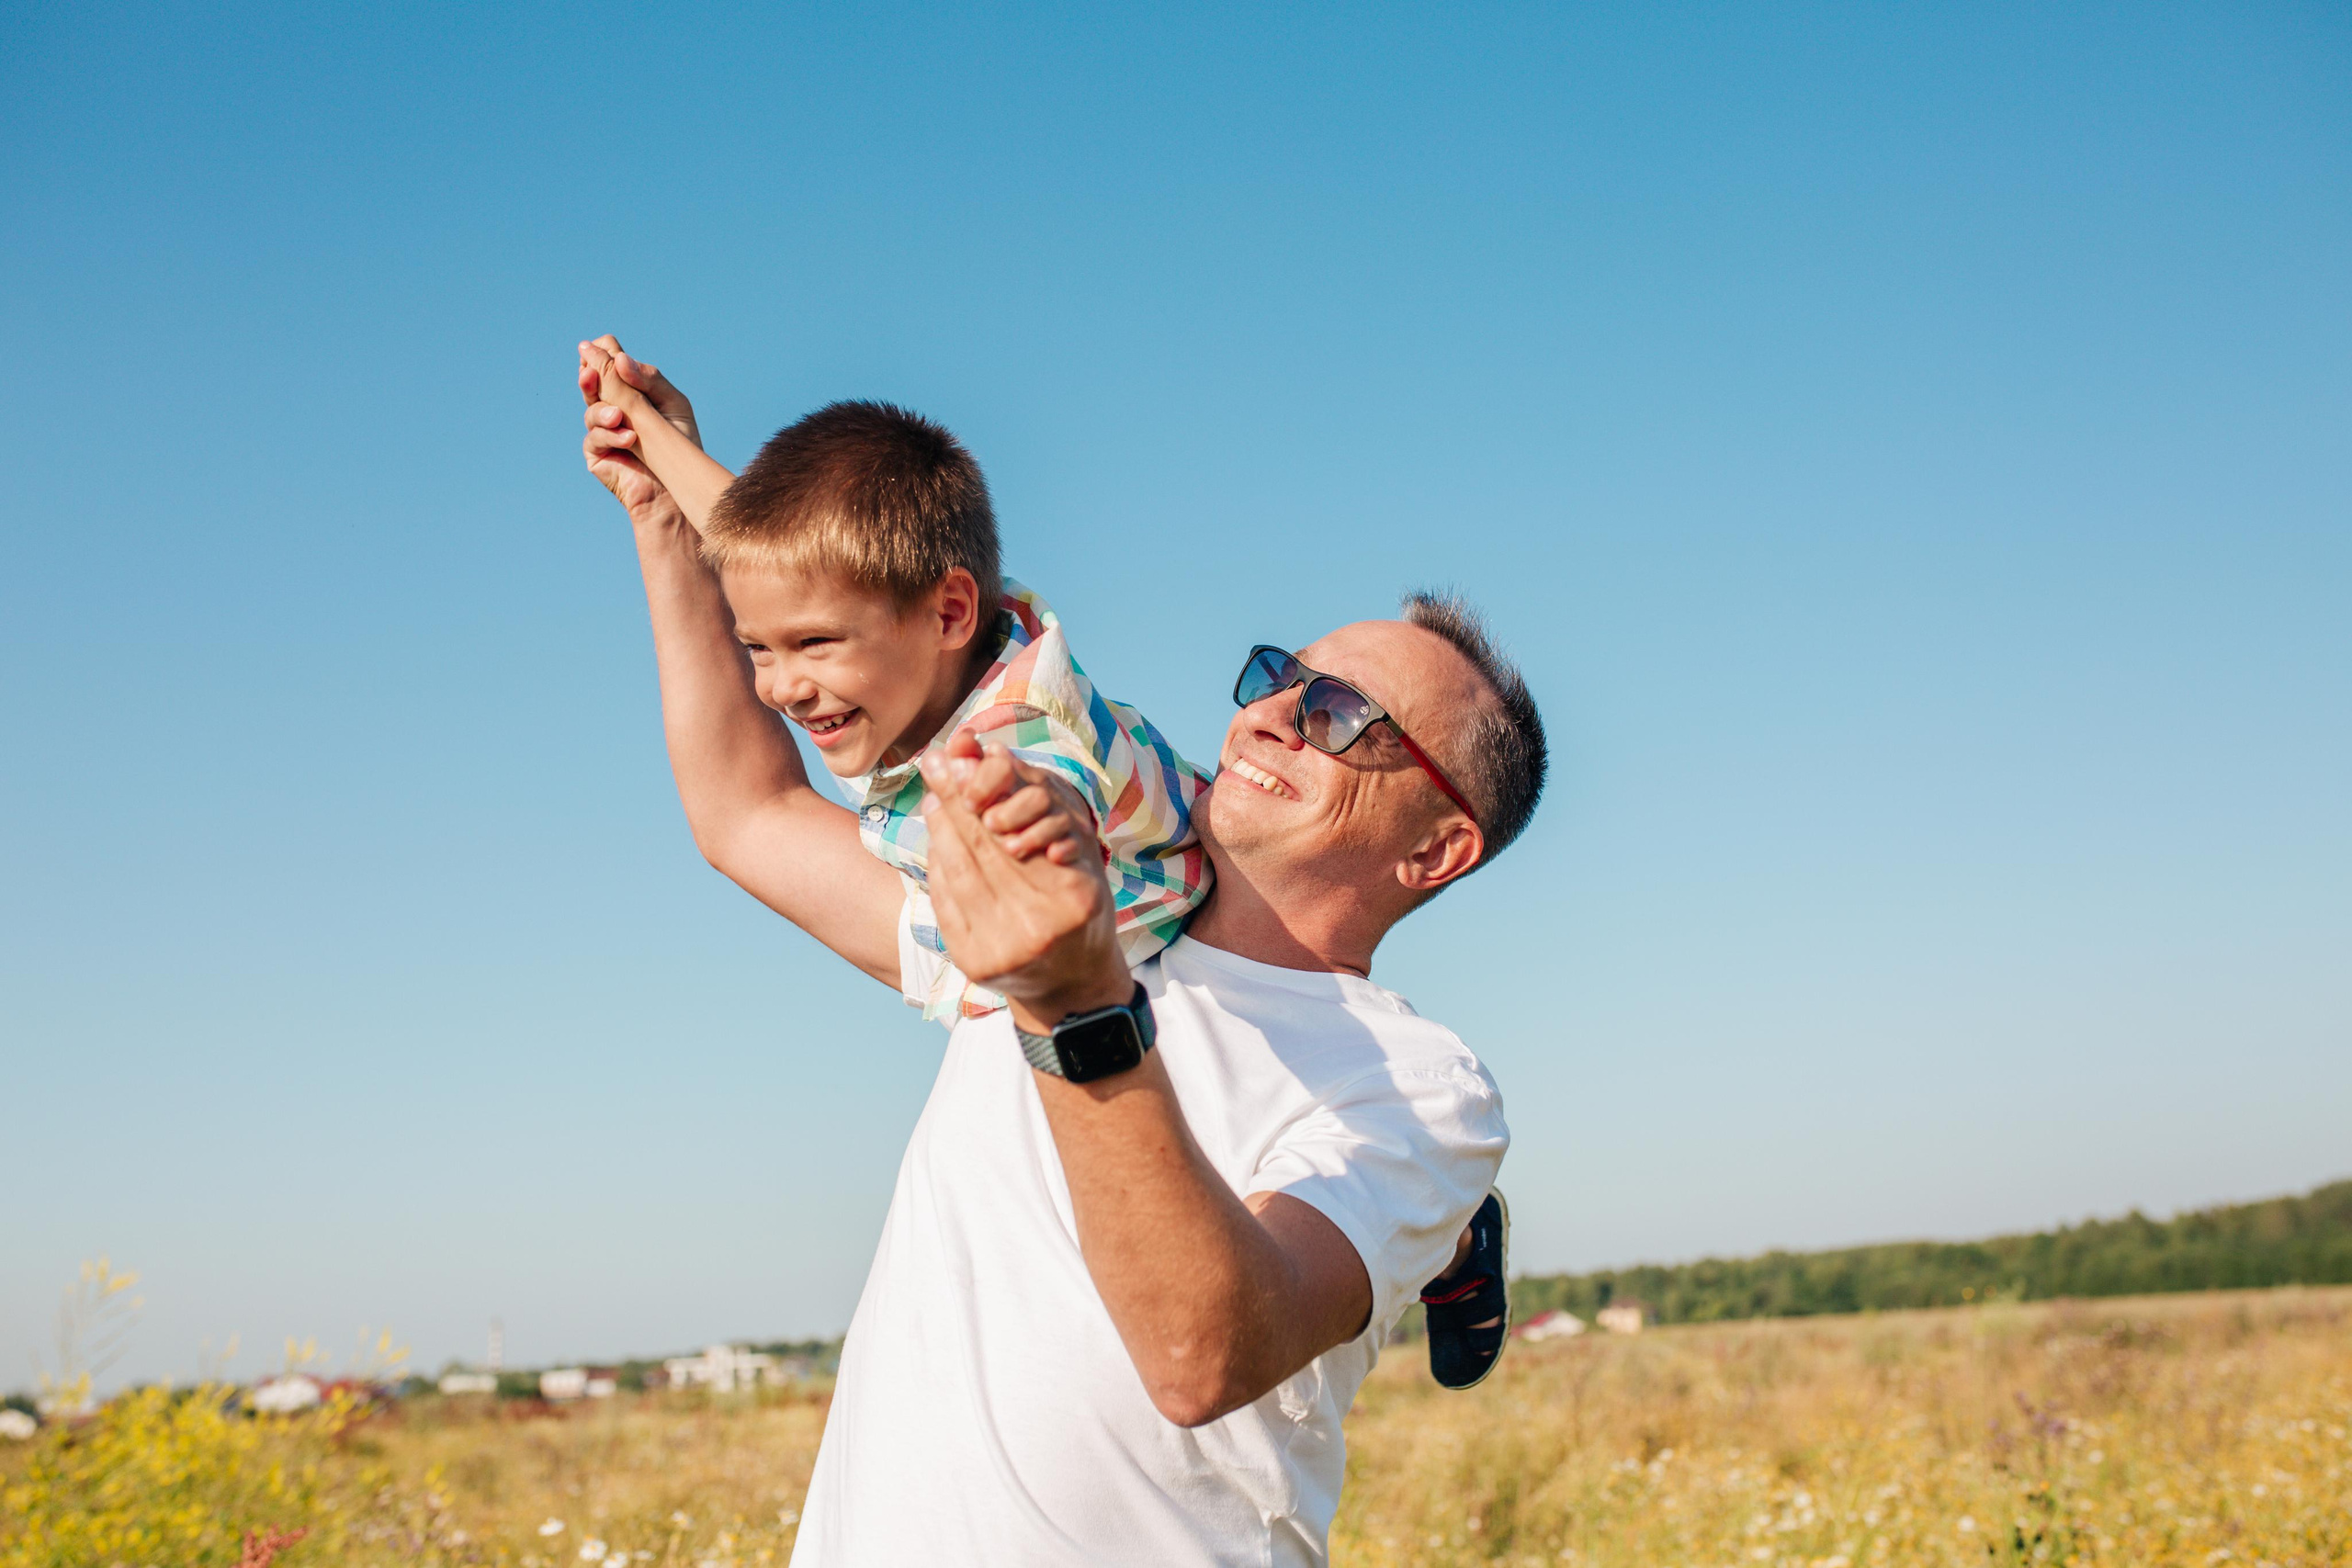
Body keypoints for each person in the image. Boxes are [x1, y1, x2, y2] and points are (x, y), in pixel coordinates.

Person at [579, 348, 1550, 1564]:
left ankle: (1450, 1238)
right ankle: (1448, 1245)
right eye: (1278, 676)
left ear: (1437, 850)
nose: (1273, 714)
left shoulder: (1417, 1090)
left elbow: (1203, 1354)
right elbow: (747, 807)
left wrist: (1074, 1001)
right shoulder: (1089, 874)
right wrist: (667, 514)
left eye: (1343, 719)